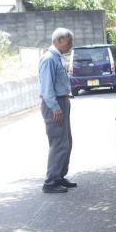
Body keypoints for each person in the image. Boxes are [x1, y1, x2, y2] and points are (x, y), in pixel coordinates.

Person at [40, 28, 76, 194]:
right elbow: (47, 88)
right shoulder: (49, 59)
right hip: (54, 104)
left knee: (66, 141)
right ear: (59, 40)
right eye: (69, 42)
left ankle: (59, 175)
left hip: (62, 102)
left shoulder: (58, 57)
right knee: (59, 143)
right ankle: (51, 181)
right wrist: (55, 107)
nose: (71, 45)